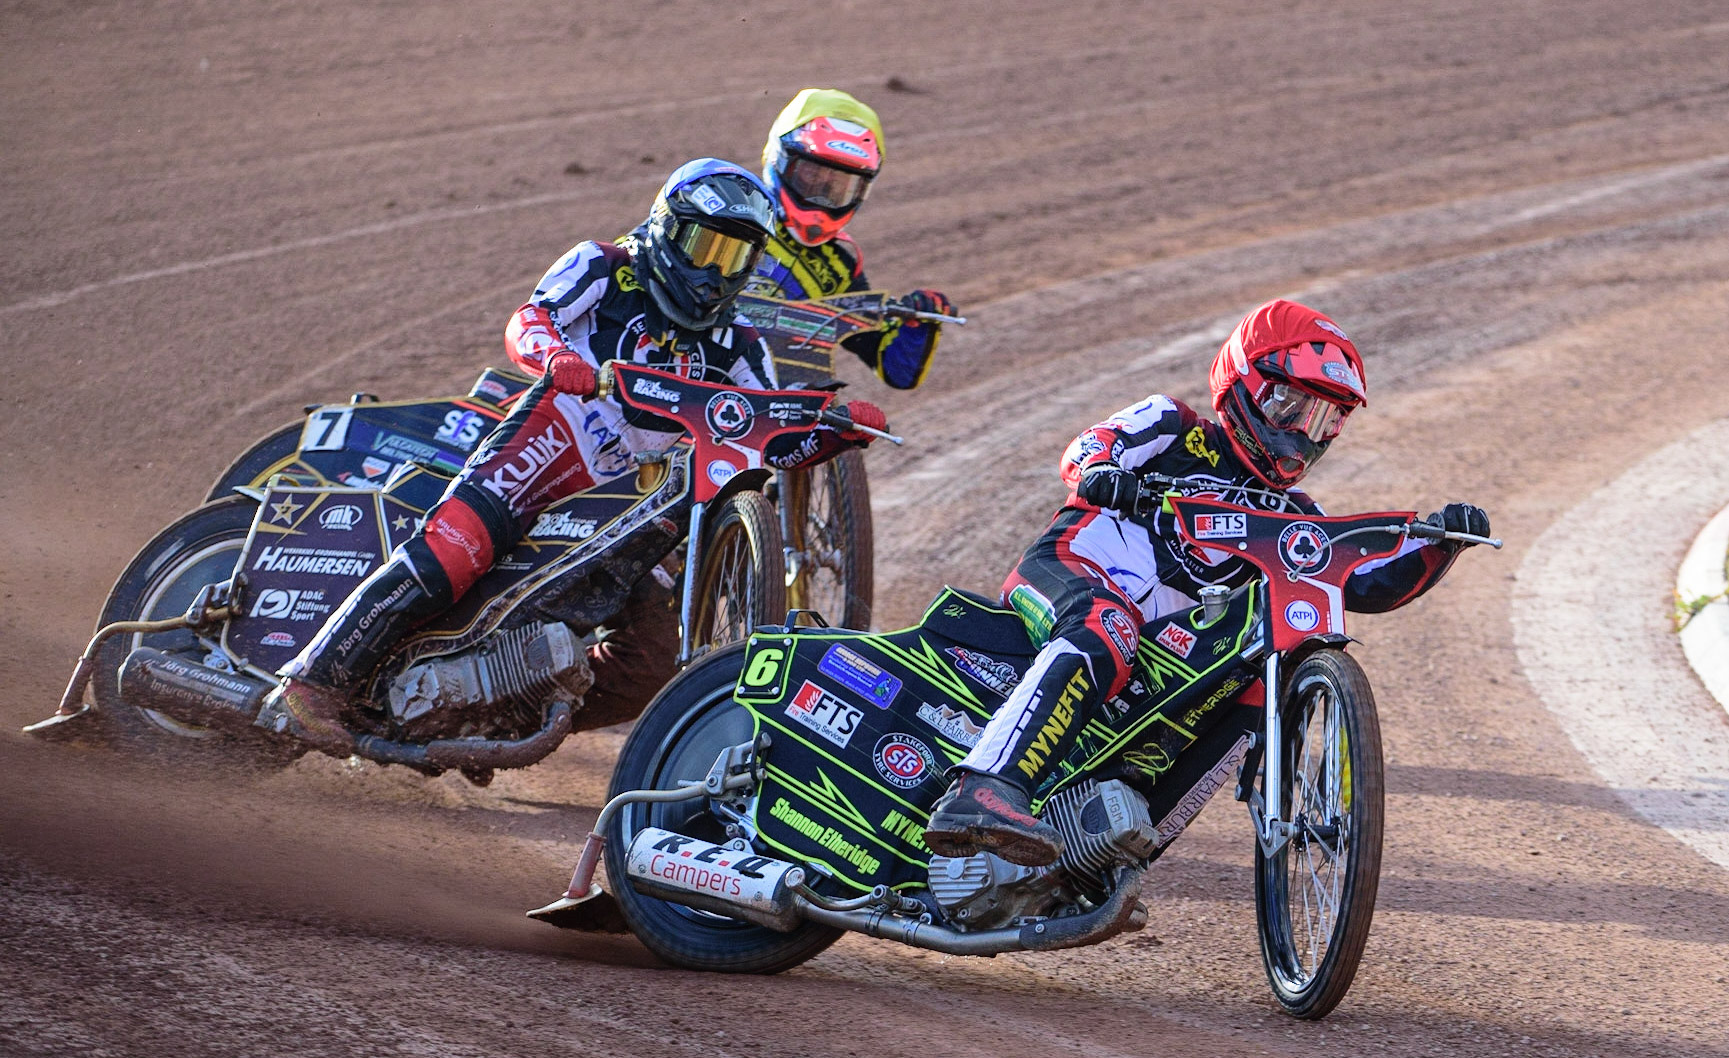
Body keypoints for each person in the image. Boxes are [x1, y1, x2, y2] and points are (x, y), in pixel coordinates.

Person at [258, 159, 886, 752]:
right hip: (554, 438)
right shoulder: (604, 266)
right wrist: (558, 358)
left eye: (737, 256)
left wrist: (838, 433)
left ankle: (497, 714)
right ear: (668, 229)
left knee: (652, 661)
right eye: (706, 247)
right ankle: (309, 685)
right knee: (455, 550)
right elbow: (530, 319)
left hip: (634, 495)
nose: (716, 272)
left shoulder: (740, 341)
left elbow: (771, 433)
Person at [922, 299, 1490, 864]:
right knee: (1107, 625)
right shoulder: (1172, 424)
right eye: (1290, 405)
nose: (1302, 433)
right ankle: (982, 790)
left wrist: (1440, 544)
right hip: (1069, 570)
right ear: (1242, 382)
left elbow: (1363, 582)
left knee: (1254, 681)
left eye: (1323, 419)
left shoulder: (1294, 514)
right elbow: (1093, 444)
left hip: (1151, 650)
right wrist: (1102, 473)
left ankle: (1110, 858)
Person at [750, 88, 955, 391]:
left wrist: (918, 324)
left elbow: (897, 370)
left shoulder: (838, 270)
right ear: (780, 160)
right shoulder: (732, 213)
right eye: (812, 175)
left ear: (861, 190)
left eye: (839, 185)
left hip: (762, 409)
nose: (822, 193)